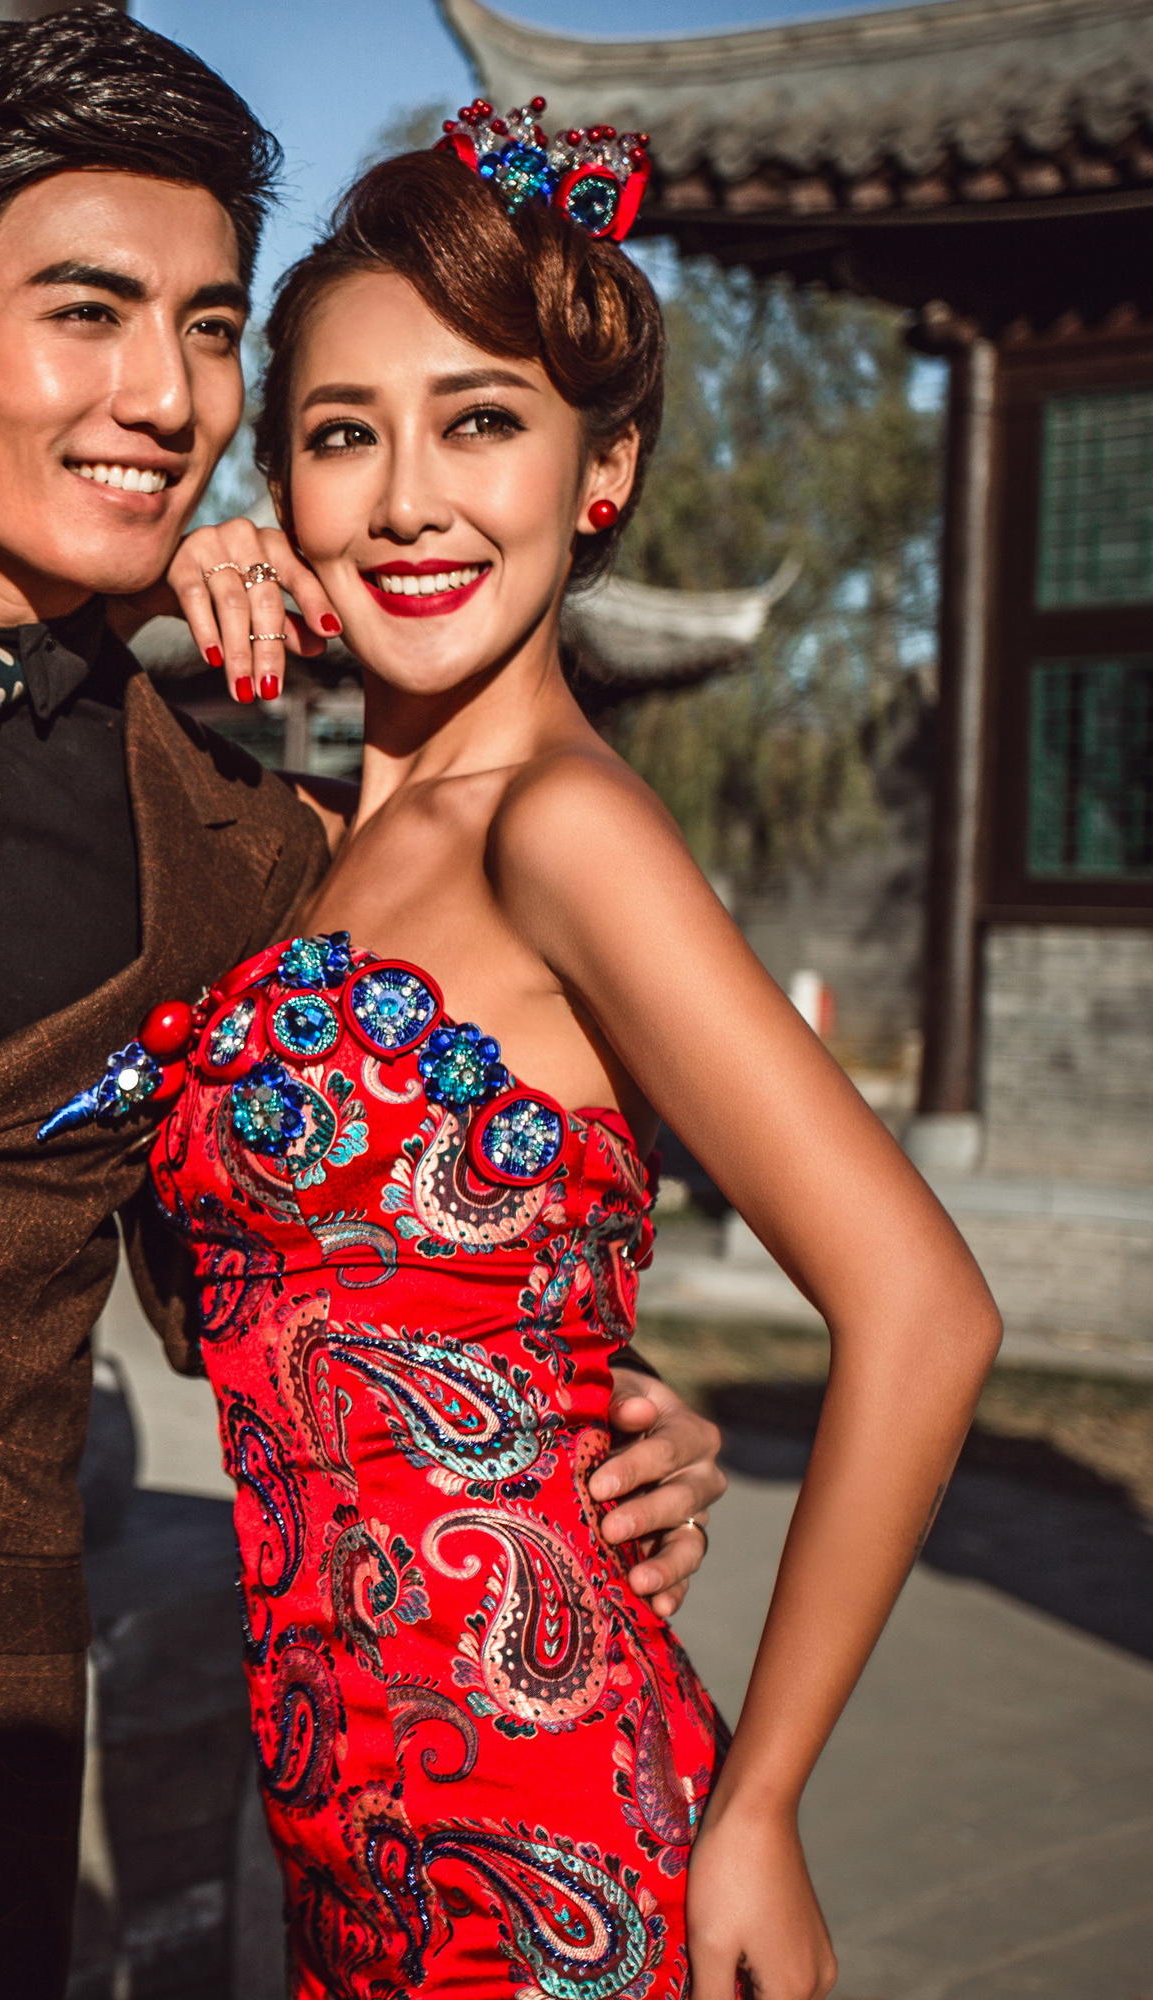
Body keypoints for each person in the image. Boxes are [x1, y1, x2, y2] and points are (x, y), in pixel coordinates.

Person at [0, 22, 734, 1997]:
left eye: (206, 330)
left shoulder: (241, 862)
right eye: (88, 314)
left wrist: (591, 1409)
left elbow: (282, 1289)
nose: (166, 395)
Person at [137, 128, 1001, 1999]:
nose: (408, 503)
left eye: (481, 423)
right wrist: (167, 577)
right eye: (345, 435)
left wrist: (762, 1803)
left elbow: (926, 1309)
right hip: (345, 1837)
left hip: (555, 1844)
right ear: (282, 480)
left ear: (600, 471)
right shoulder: (318, 853)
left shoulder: (564, 828)